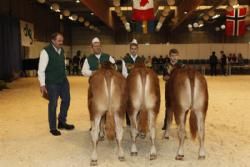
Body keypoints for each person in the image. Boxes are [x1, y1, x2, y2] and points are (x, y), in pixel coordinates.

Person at [38, 32, 74, 136]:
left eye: (62, 40)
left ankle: (62, 122)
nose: (61, 42)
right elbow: (41, 70)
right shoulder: (45, 51)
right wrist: (42, 84)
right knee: (53, 104)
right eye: (59, 41)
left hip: (63, 80)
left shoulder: (62, 50)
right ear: (53, 41)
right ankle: (53, 127)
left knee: (67, 100)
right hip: (52, 82)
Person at [121, 39, 144, 126]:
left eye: (135, 49)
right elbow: (124, 72)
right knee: (128, 101)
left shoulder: (141, 59)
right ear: (130, 49)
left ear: (137, 49)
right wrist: (132, 79)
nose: (133, 50)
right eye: (132, 49)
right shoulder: (125, 59)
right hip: (129, 84)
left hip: (139, 85)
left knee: (140, 101)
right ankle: (129, 121)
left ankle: (138, 118)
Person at [162, 48, 184, 130]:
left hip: (180, 90)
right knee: (168, 106)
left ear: (178, 56)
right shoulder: (166, 65)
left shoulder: (182, 65)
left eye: (175, 56)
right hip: (169, 89)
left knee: (180, 106)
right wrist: (169, 77)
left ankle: (180, 124)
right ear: (169, 56)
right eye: (172, 56)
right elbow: (164, 77)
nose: (174, 58)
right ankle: (166, 124)